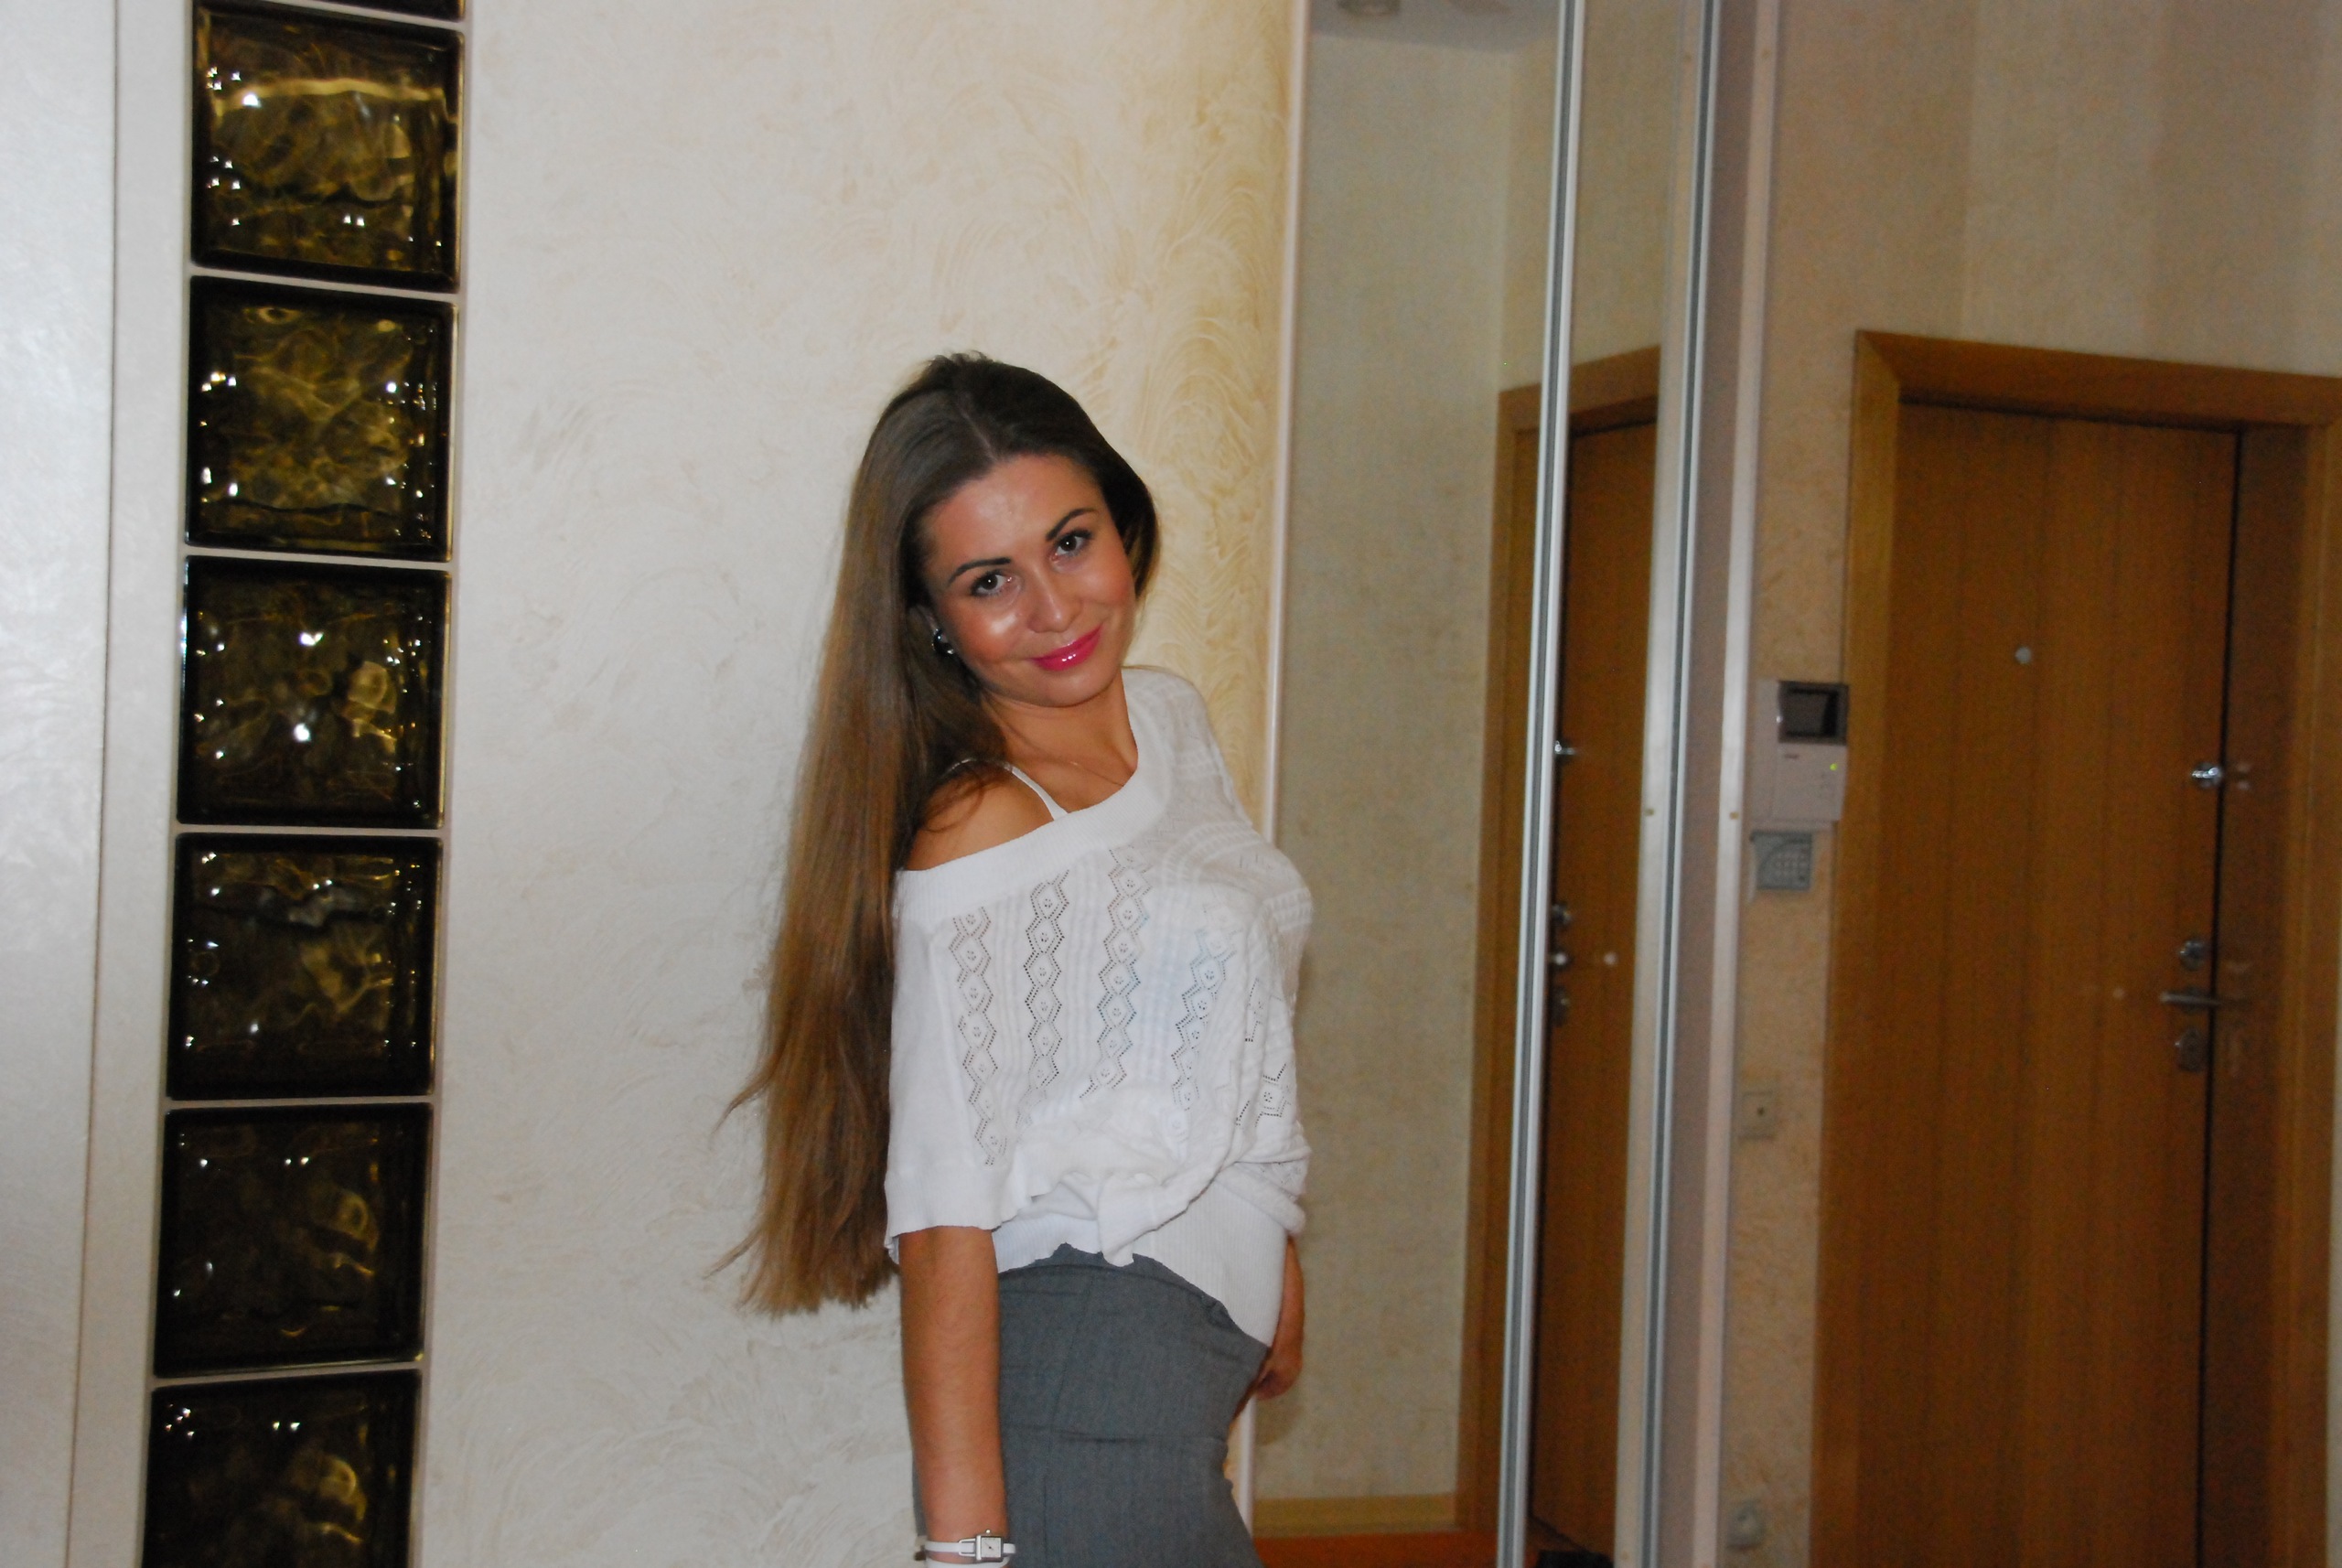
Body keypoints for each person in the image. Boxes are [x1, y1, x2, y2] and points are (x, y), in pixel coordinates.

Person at [738, 354, 1311, 1566]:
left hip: (1163, 1397)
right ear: (929, 620)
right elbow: (944, 1212)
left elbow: (1206, 1030)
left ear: (1123, 522)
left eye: (1071, 541)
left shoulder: (1171, 718)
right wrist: (965, 1555)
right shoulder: (983, 825)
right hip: (1090, 1404)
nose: (1054, 607)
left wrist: (1278, 1252)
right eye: (989, 580)